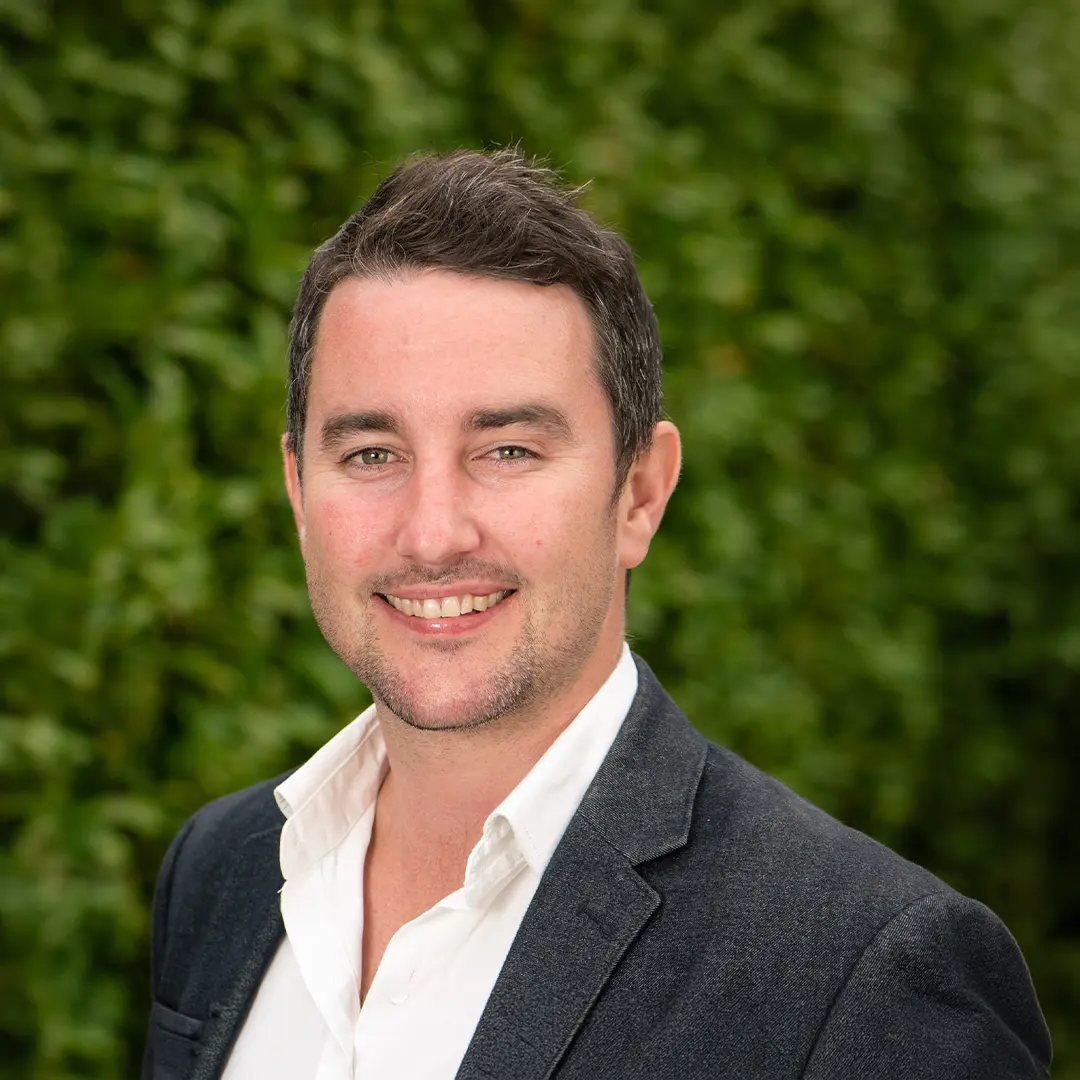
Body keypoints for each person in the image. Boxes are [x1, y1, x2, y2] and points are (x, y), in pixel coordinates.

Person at [142, 148, 1052, 1080]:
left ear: (640, 494)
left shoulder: (868, 974)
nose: (432, 534)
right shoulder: (222, 870)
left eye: (508, 450)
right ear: (299, 489)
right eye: (372, 454)